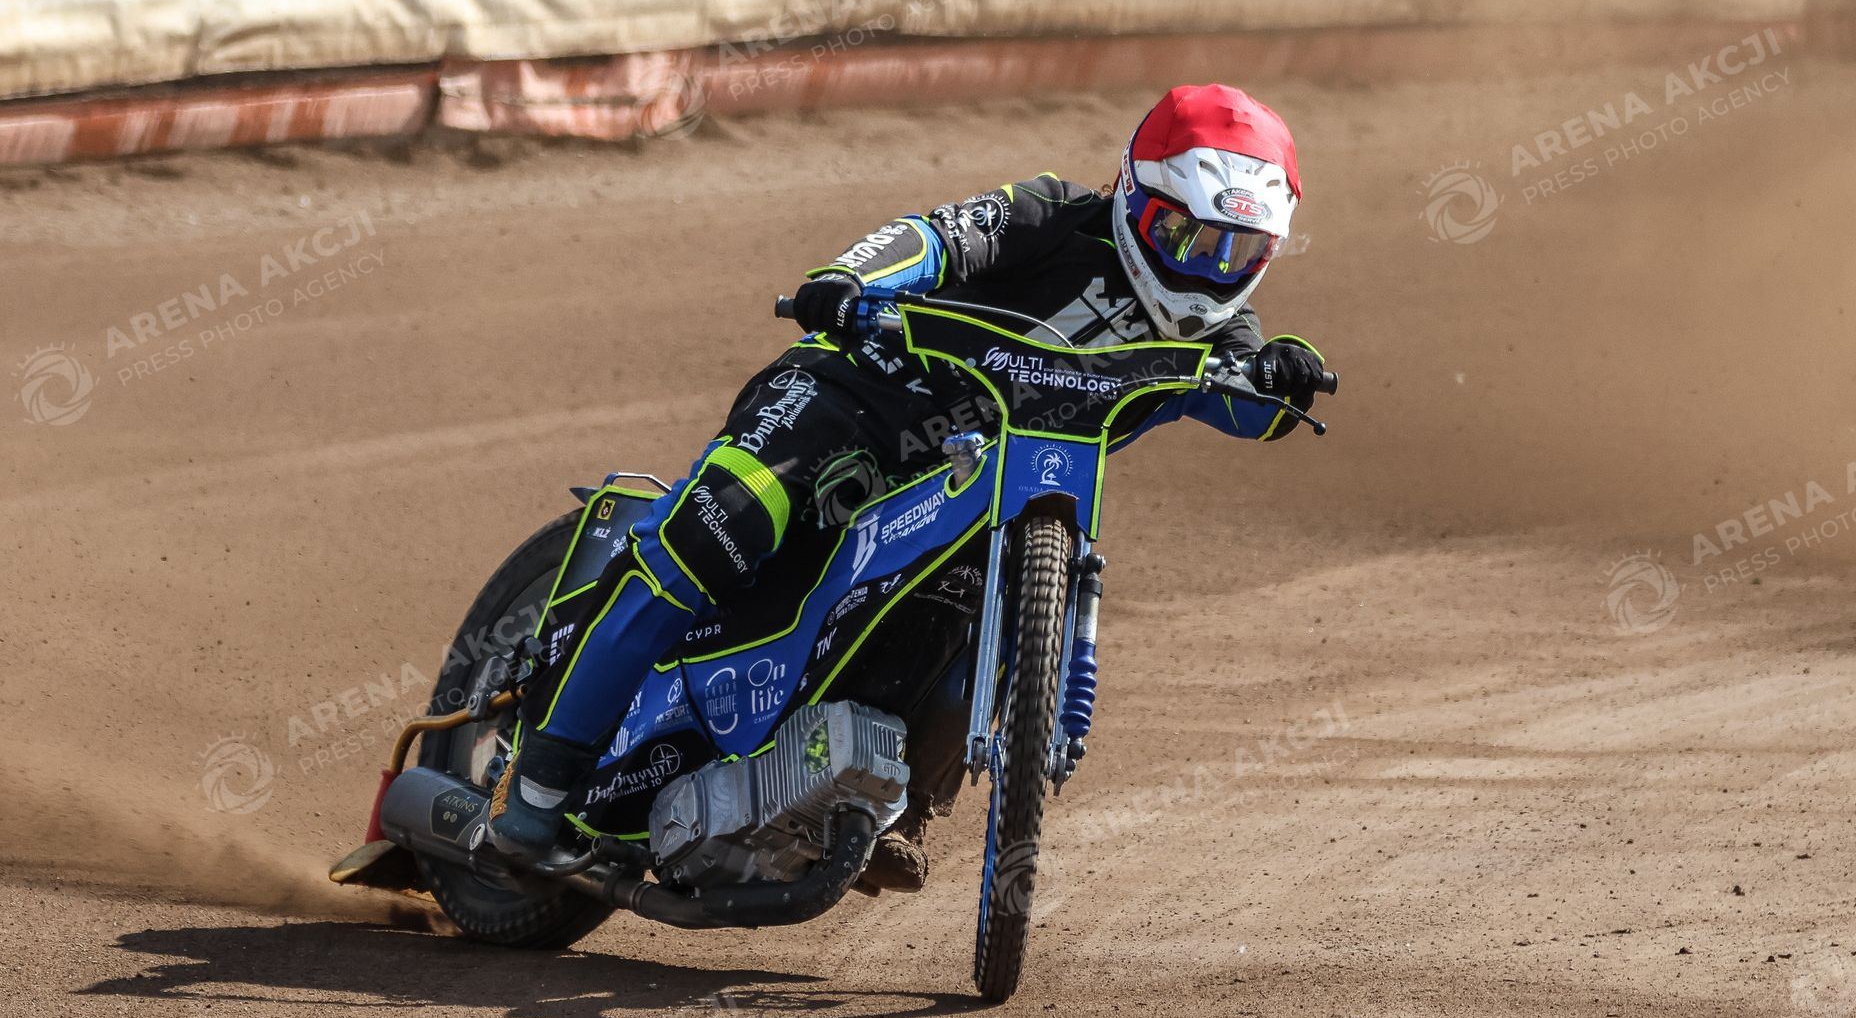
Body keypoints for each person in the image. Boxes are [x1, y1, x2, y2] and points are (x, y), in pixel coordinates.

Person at [487, 83, 1329, 890]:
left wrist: (1286, 374)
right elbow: (934, 238)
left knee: (997, 586)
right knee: (722, 526)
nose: (1208, 269)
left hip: (967, 490)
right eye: (1185, 237)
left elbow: (1259, 410)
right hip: (848, 402)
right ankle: (539, 780)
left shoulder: (1220, 338)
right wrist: (851, 280)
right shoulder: (1049, 214)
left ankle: (900, 803)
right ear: (1134, 197)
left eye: (1238, 252)